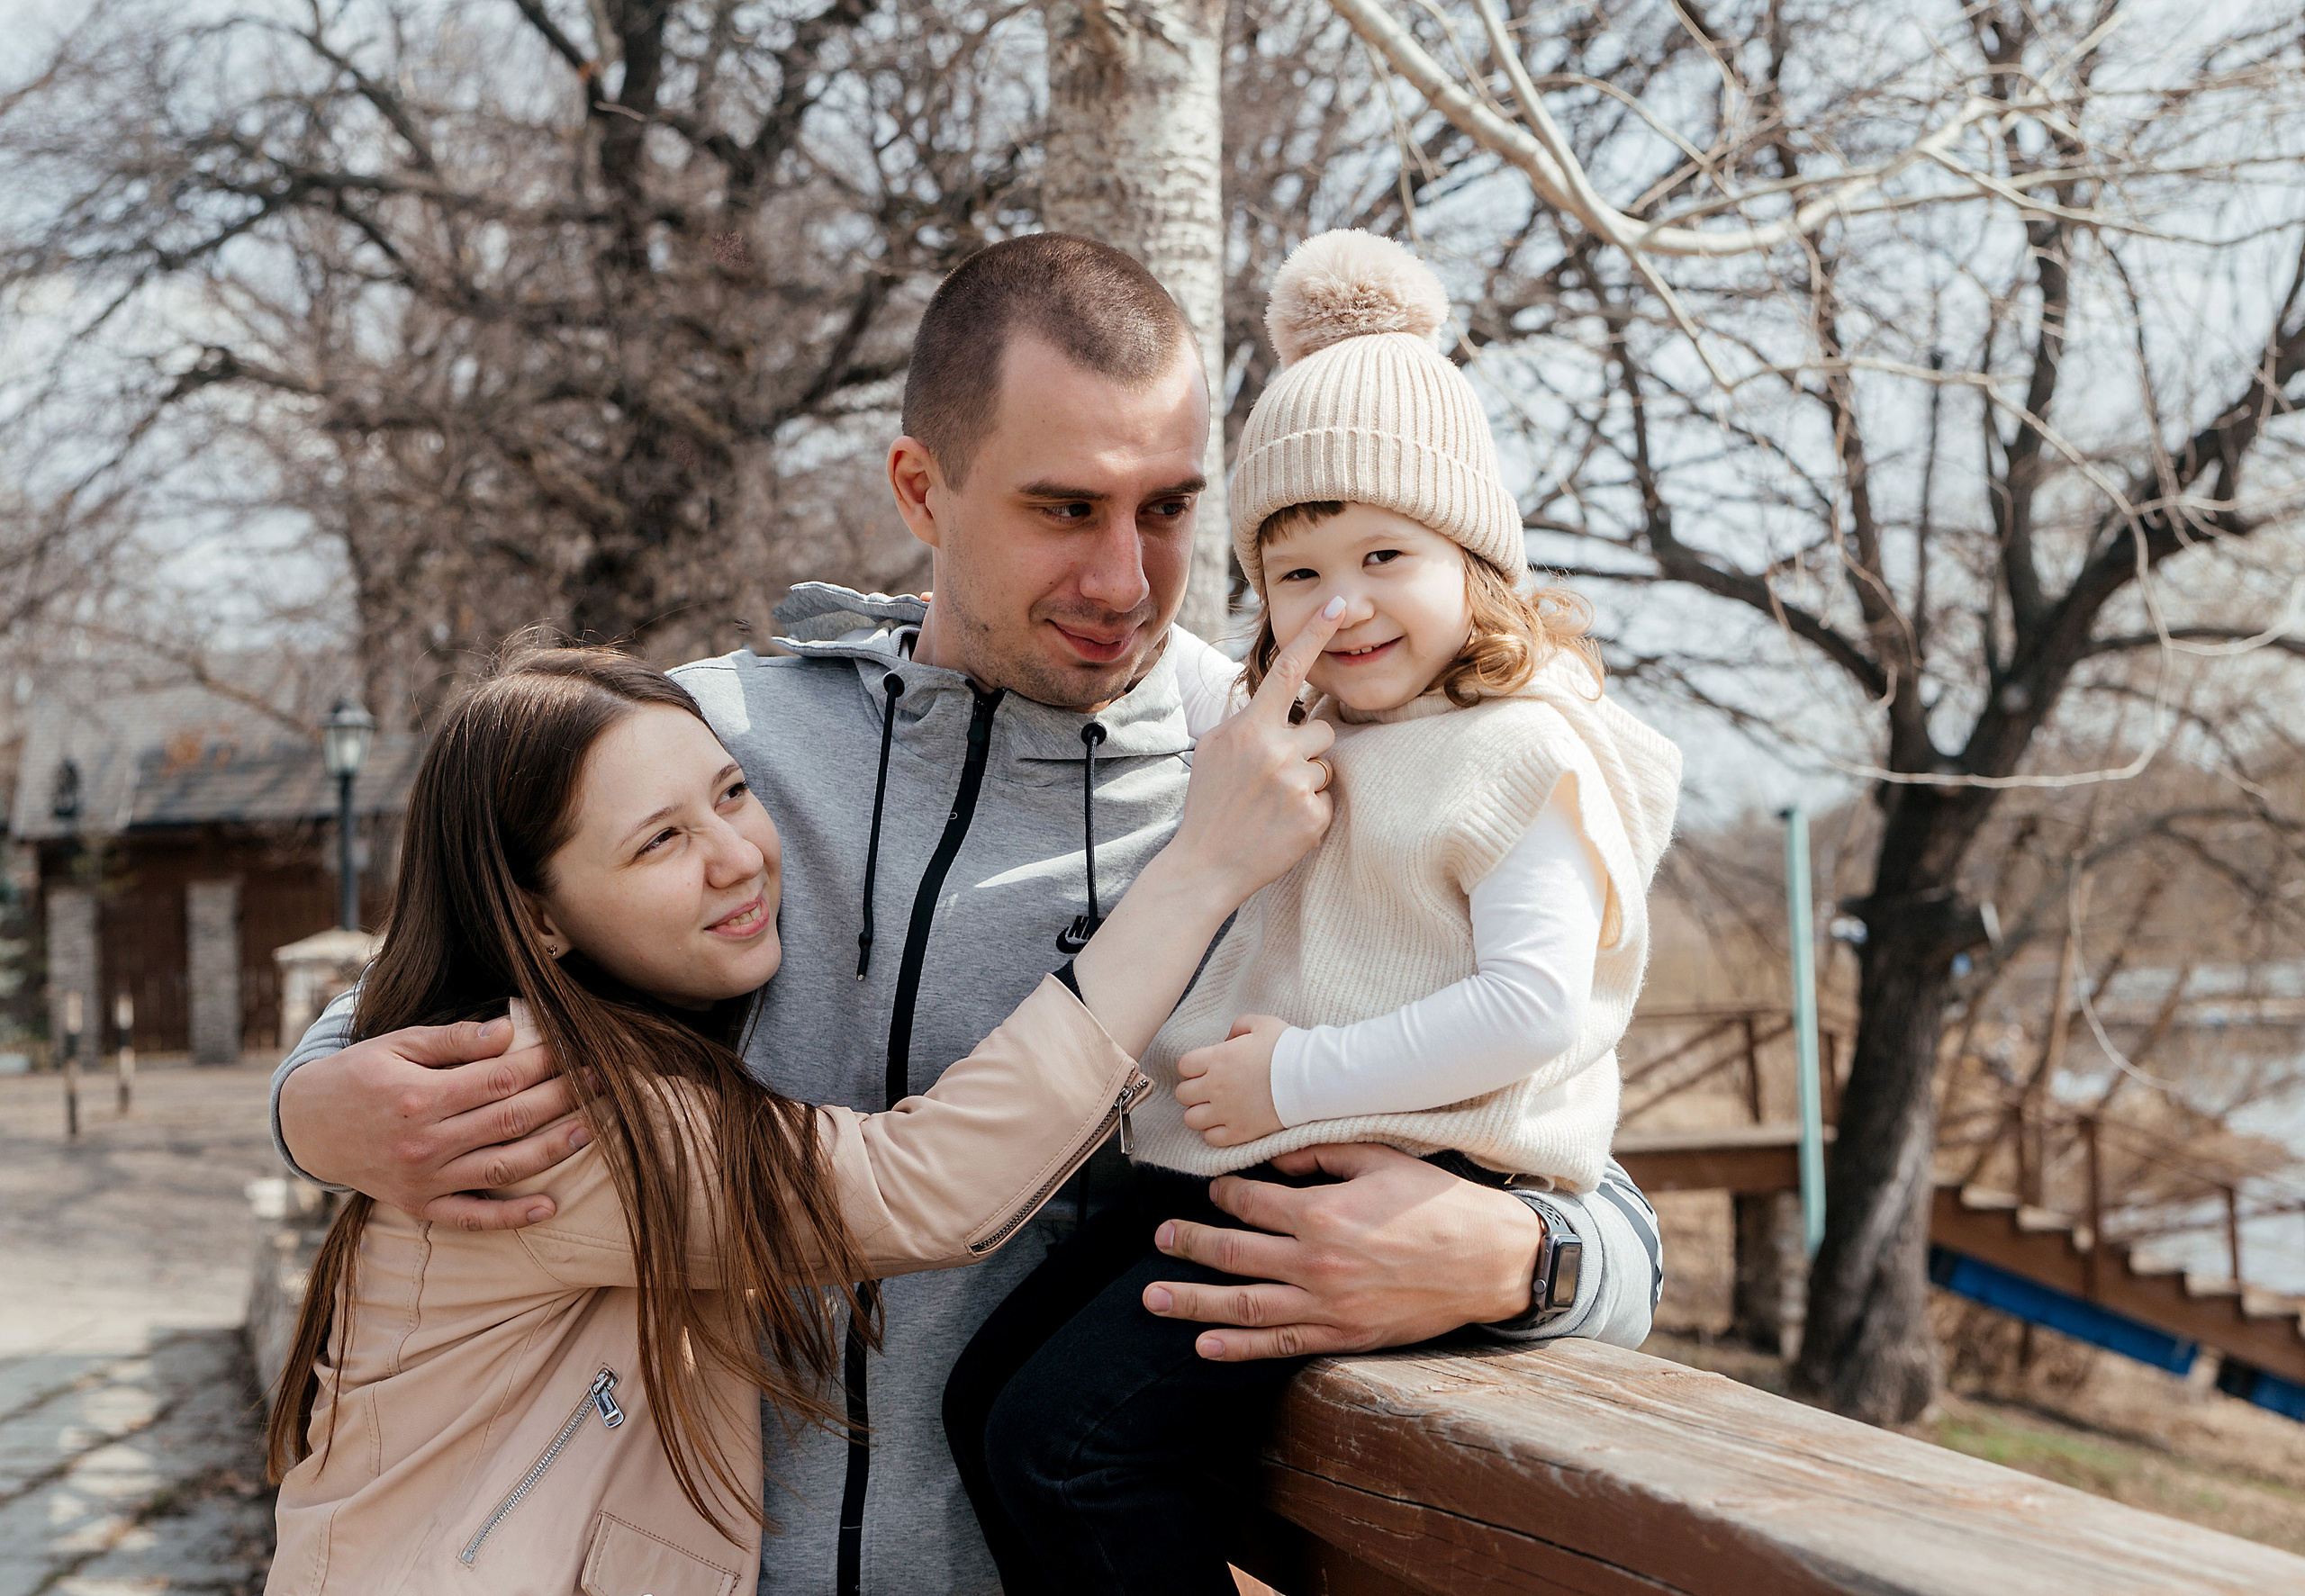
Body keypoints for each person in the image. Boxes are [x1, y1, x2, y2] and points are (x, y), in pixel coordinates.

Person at [268, 233, 1664, 1595]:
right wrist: (312, 1106)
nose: (1124, 580)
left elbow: (1552, 1129)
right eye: (1065, 508)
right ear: (920, 490)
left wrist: (1529, 1262)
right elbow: (445, 967)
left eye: (1168, 510)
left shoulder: (1292, 753)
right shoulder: (715, 753)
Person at [264, 632, 1338, 1593]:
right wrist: (1201, 872)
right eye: (658, 842)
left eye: (732, 793)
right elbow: (927, 1187)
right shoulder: (539, 1111)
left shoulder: (579, 1035)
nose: (737, 856)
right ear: (537, 920)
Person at [948, 230, 1683, 1594]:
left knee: (1068, 1450)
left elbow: (1534, 1008)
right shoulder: (1299, 732)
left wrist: (1296, 1075)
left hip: (1390, 1174)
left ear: (1474, 558)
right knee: (981, 1397)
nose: (1342, 606)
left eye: (1385, 553)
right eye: (1297, 573)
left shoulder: (1524, 749)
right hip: (1243, 1161)